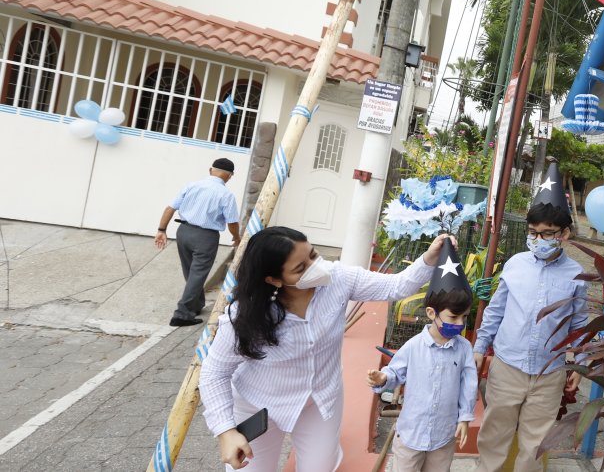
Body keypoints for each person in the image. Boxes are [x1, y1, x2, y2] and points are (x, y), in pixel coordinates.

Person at [199, 226, 451, 471]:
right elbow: (214, 372)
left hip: (319, 400)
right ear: (274, 279)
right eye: (300, 269)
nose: (314, 268)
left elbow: (397, 286)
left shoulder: (338, 278)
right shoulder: (245, 316)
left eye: (313, 255)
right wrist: (226, 430)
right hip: (258, 406)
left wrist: (428, 258)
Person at [472, 162, 589, 472]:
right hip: (507, 367)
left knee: (535, 446)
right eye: (533, 233)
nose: (539, 239)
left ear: (565, 233)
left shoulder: (577, 276)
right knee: (493, 436)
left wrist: (578, 363)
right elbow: (496, 310)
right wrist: (480, 348)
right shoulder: (515, 265)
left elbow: (578, 324)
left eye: (548, 233)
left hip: (549, 375)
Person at [367, 237, 478, 472]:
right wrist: (383, 378)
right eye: (453, 317)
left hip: (443, 435)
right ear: (431, 313)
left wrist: (465, 417)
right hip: (411, 434)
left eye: (464, 317)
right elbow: (396, 371)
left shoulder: (464, 348)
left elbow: (469, 383)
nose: (459, 324)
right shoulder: (414, 346)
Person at [155, 158, 241, 326]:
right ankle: (182, 314)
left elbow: (169, 208)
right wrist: (236, 237)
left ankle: (196, 304)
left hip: (184, 232)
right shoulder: (226, 195)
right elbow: (232, 222)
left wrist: (161, 230)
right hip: (206, 237)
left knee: (191, 272)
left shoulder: (191, 185)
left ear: (210, 170)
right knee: (197, 274)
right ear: (230, 176)